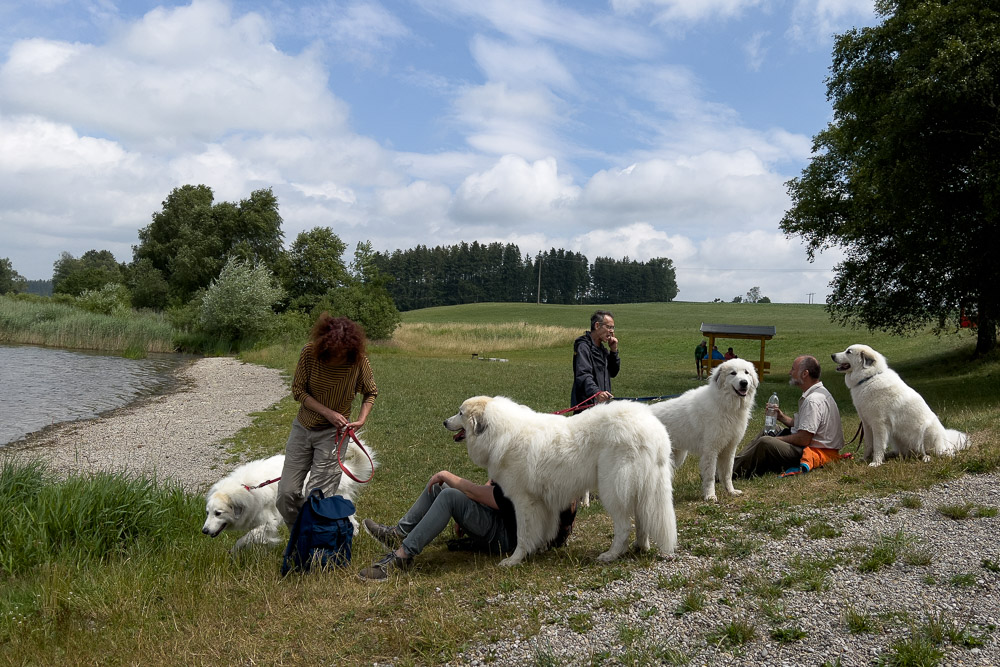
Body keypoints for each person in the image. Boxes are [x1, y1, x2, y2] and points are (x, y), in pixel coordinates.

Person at [276, 314, 378, 527]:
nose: (336, 356)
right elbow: (298, 391)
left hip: (333, 436)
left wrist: (361, 419)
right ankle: (299, 537)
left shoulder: (358, 361)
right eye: (332, 352)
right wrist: (328, 412)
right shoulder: (309, 354)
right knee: (286, 495)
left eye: (341, 352)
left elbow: (370, 392)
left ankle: (312, 543)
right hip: (303, 428)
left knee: (316, 497)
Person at [358, 471, 515, 580]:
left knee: (449, 495)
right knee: (438, 485)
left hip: (503, 537)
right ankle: (397, 535)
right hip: (494, 517)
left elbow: (481, 493)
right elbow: (492, 484)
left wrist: (445, 475)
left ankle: (402, 557)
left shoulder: (519, 465)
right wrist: (468, 510)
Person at [732, 355, 844, 477]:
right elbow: (804, 425)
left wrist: (776, 440)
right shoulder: (817, 393)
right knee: (770, 430)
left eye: (793, 369)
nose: (789, 372)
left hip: (813, 451)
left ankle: (730, 472)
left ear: (804, 373)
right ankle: (734, 462)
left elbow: (804, 439)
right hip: (809, 445)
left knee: (765, 441)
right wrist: (781, 417)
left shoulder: (813, 400)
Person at [570, 310, 619, 413]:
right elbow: (583, 375)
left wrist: (613, 351)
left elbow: (613, 372)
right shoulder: (583, 347)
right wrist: (597, 393)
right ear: (597, 326)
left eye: (612, 328)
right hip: (586, 408)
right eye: (609, 327)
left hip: (601, 407)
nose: (611, 331)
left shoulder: (602, 350)